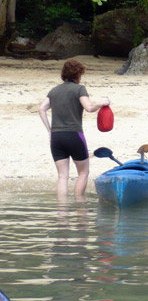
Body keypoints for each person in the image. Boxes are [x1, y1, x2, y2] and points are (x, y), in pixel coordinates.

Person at [38, 59, 110, 197]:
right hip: (74, 135)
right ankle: (80, 208)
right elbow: (89, 108)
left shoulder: (54, 90)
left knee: (62, 176)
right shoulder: (79, 89)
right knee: (83, 173)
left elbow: (41, 109)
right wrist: (101, 102)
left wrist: (49, 130)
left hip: (56, 137)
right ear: (78, 74)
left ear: (64, 74)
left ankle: (62, 212)